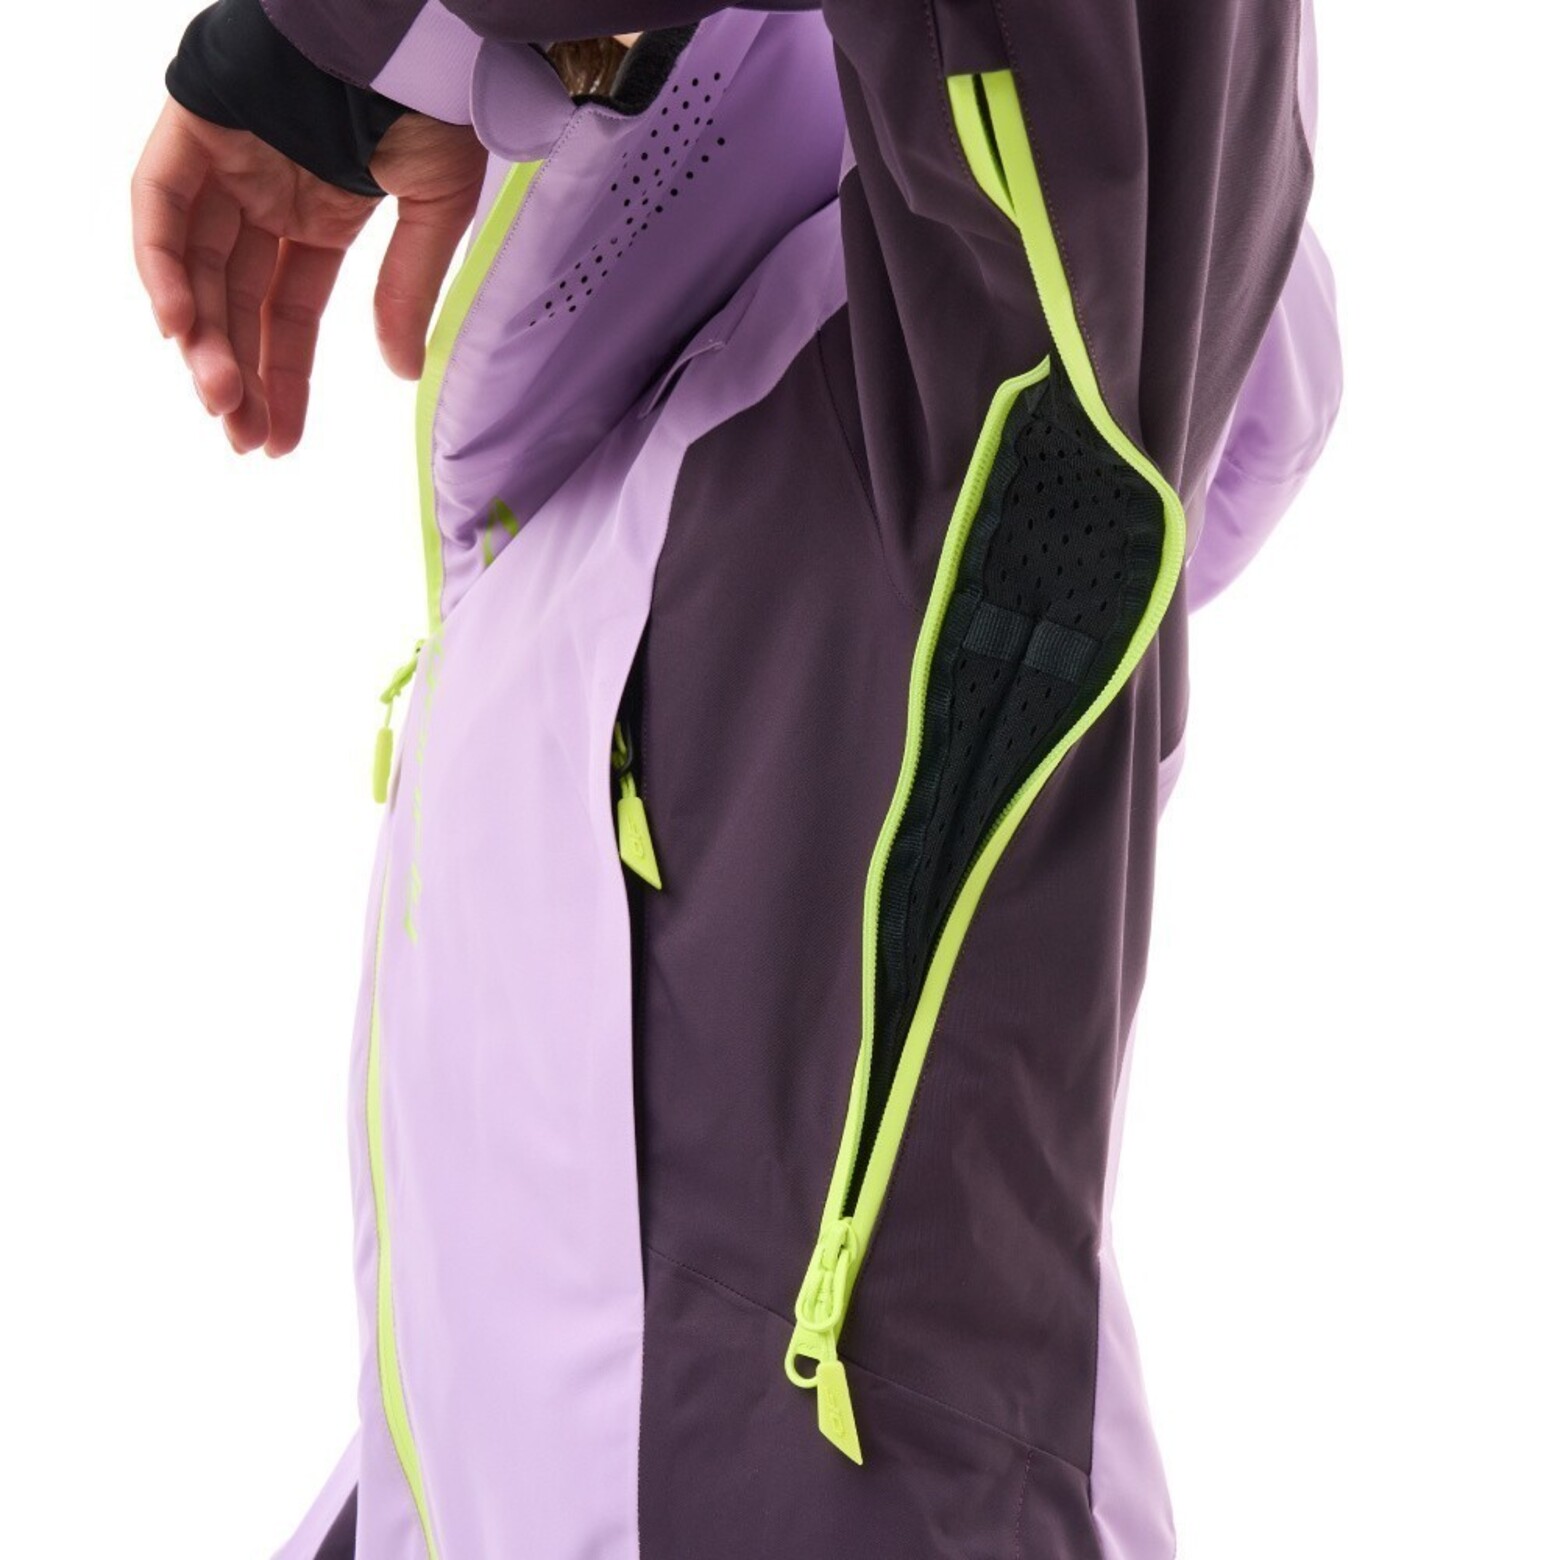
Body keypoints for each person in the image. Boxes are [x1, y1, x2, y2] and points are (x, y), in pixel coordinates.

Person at [132, 4, 1341, 1557]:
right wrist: (411, 61)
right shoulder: (580, 482)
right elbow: (512, 1352)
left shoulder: (971, 412)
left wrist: (381, 31)